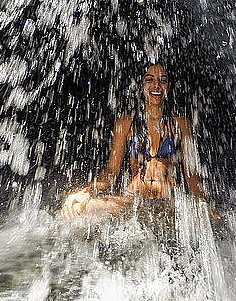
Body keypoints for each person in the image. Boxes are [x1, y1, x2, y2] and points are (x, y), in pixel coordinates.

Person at [62, 64, 210, 219]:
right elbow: (111, 171)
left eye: (163, 80)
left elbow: (191, 174)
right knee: (81, 208)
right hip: (132, 201)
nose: (156, 86)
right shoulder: (125, 123)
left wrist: (202, 202)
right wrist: (86, 192)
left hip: (169, 203)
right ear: (142, 85)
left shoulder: (181, 124)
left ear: (168, 86)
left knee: (215, 221)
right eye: (149, 80)